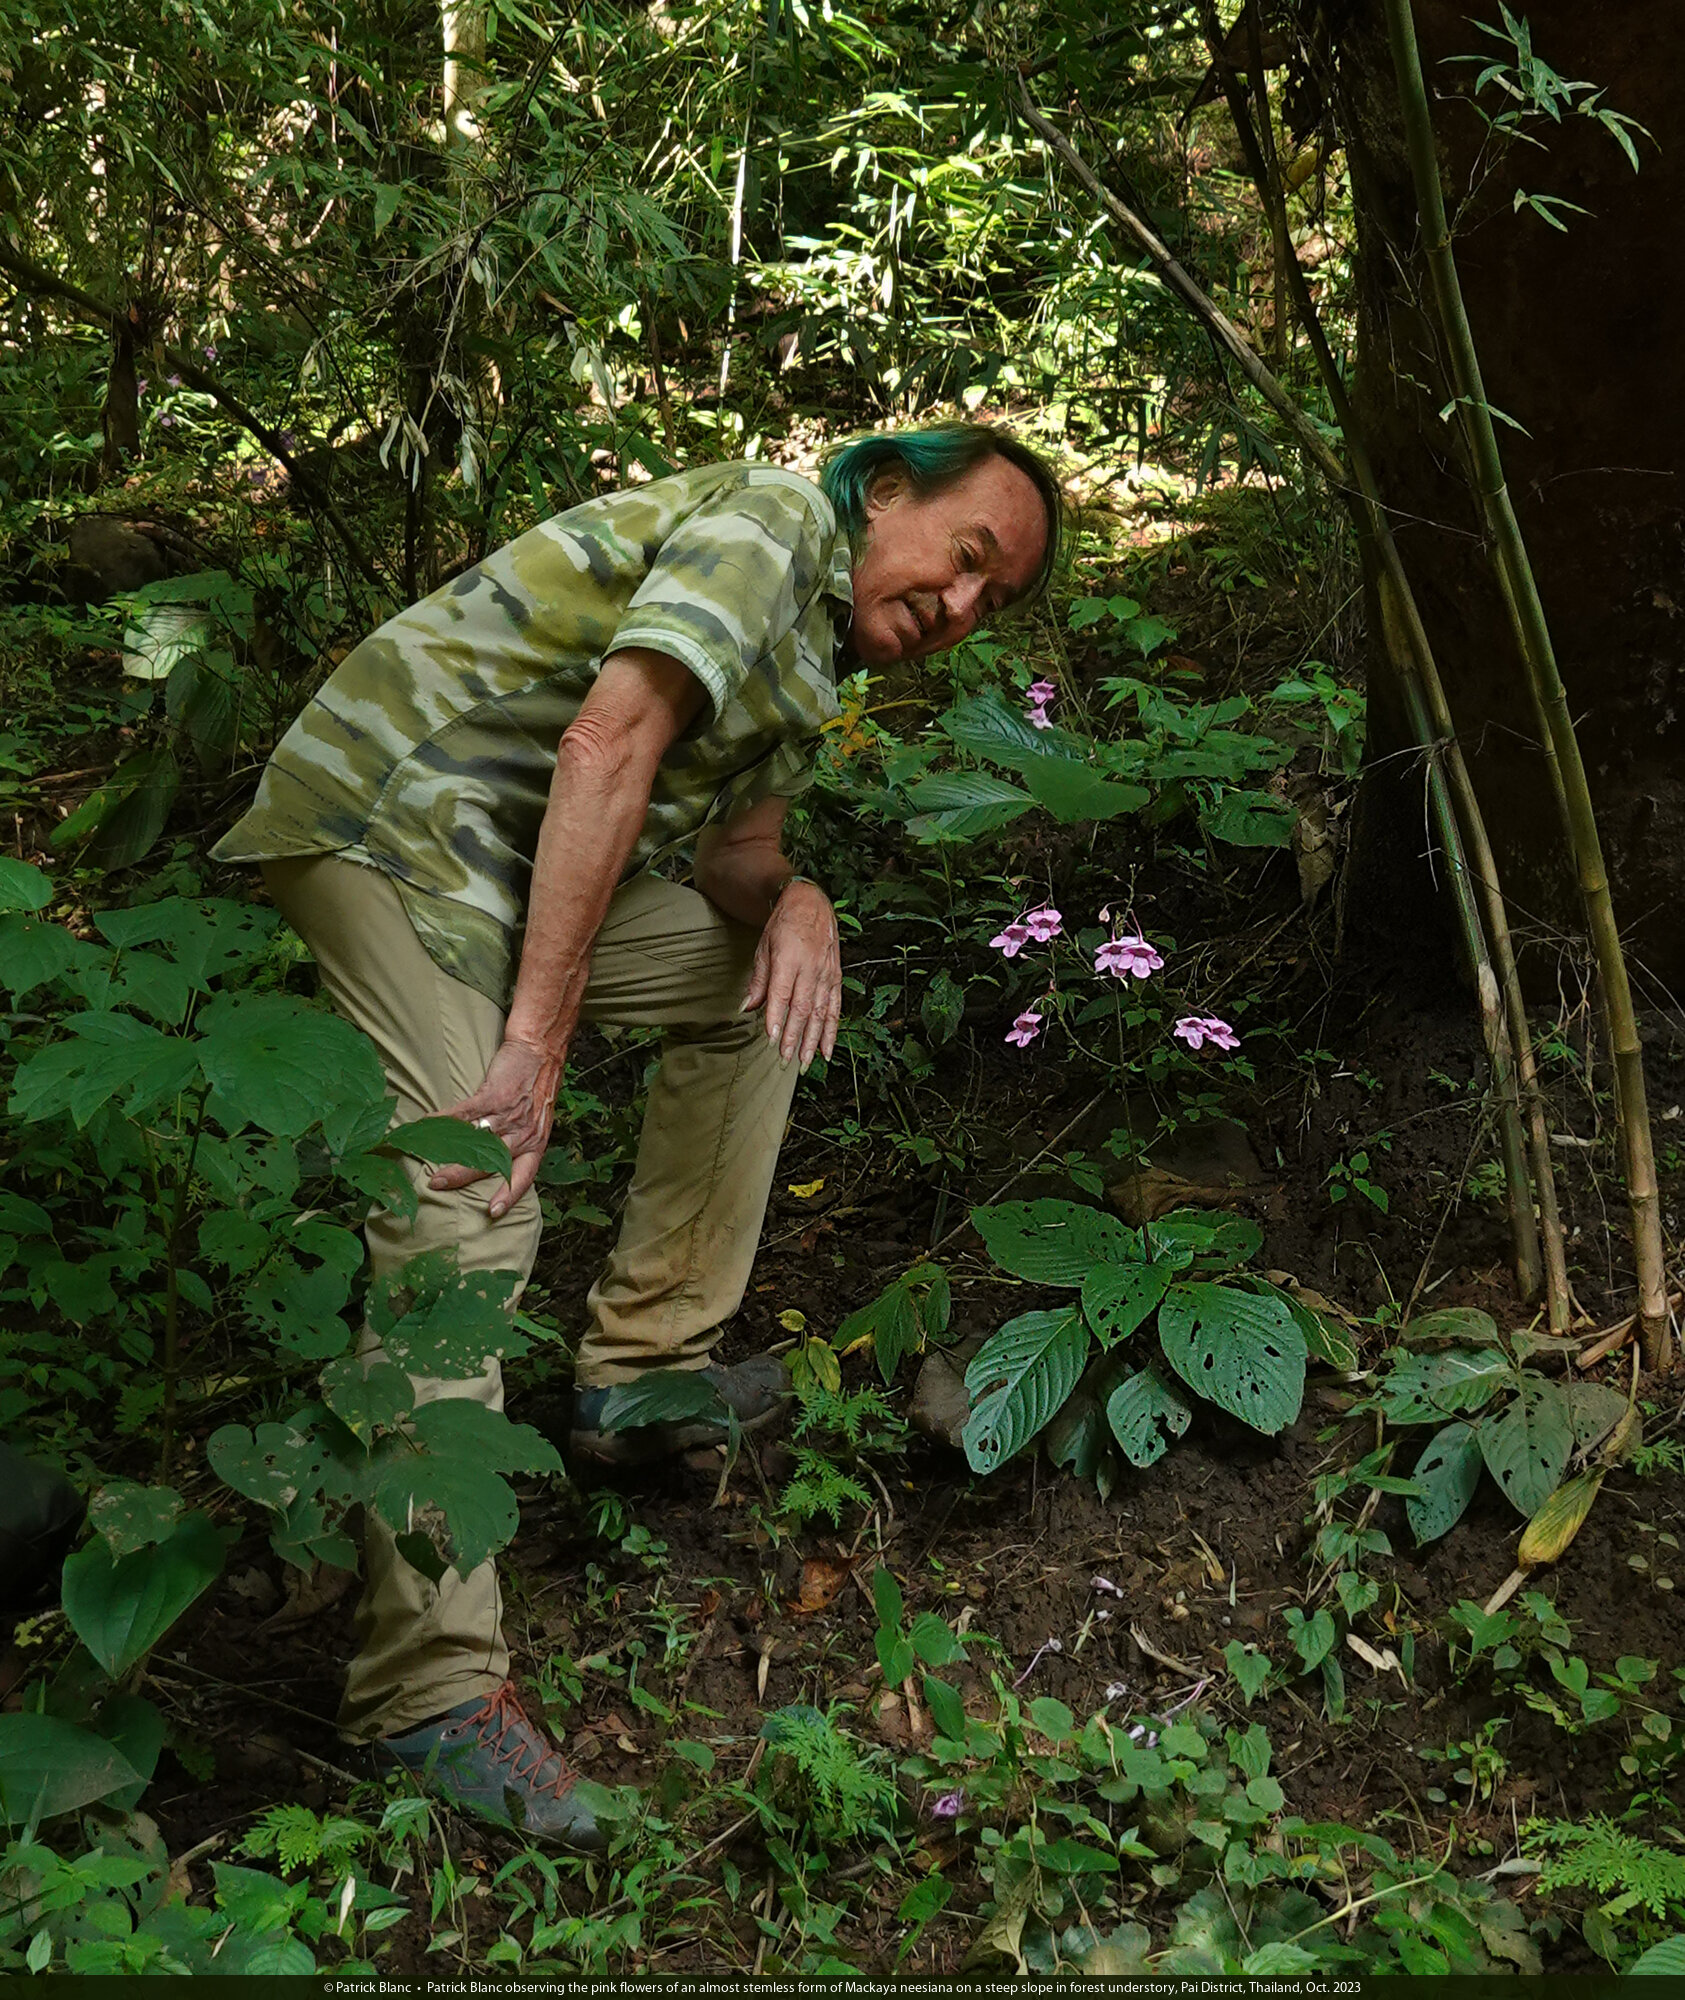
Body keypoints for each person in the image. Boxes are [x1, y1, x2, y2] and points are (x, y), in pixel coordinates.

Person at [212, 421, 1061, 1845]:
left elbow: (737, 857)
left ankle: (642, 1378)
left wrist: (799, 903)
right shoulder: (779, 523)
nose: (962, 606)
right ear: (887, 491)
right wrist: (533, 1045)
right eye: (966, 555)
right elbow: (606, 739)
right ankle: (426, 1691)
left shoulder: (820, 655)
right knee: (469, 1185)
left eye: (995, 600)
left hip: (504, 864)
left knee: (757, 987)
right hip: (392, 823)